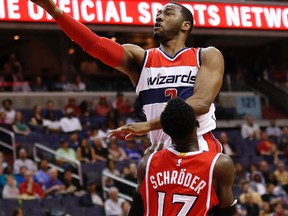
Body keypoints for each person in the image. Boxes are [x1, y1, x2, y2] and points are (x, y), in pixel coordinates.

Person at [30, 0, 224, 152]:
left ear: (185, 25)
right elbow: (94, 45)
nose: (159, 17)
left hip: (199, 147)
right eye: (157, 14)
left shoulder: (206, 55)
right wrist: (54, 10)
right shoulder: (140, 58)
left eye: (168, 13)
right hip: (159, 150)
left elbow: (200, 103)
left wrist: (148, 125)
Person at [128, 98, 236, 216]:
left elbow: (135, 212)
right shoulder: (220, 164)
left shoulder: (147, 163)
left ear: (165, 130)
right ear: (197, 125)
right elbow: (226, 212)